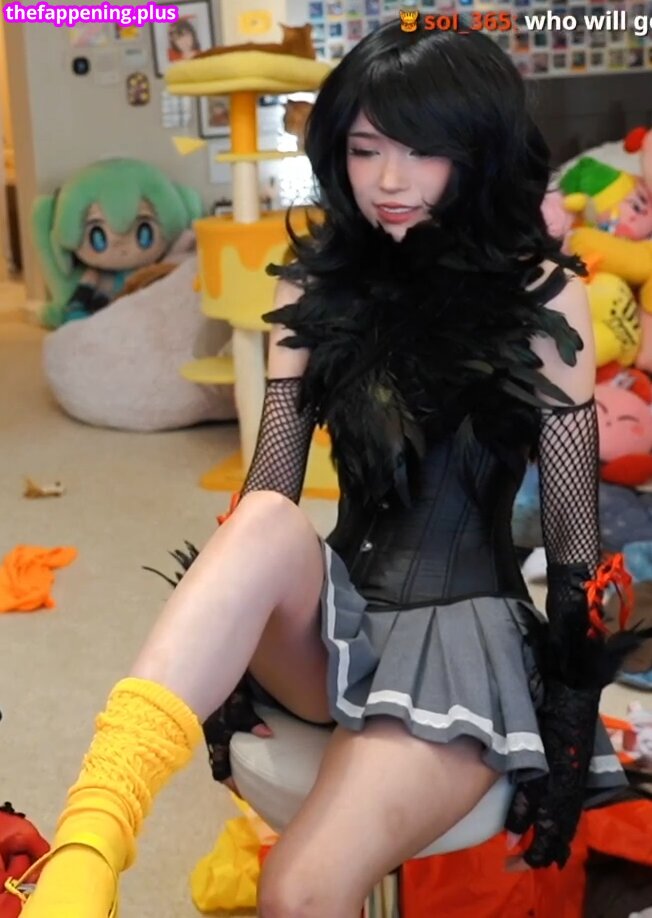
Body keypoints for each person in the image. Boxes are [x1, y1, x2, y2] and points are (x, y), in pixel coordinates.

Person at [9, 19, 642, 918]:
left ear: (481, 151)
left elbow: (575, 548)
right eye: (365, 149)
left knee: (298, 889)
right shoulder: (311, 284)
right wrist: (229, 638)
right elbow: (270, 482)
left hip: (460, 638)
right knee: (266, 518)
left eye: (422, 151)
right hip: (336, 620)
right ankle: (87, 849)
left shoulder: (547, 297)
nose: (389, 181)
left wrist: (571, 722)